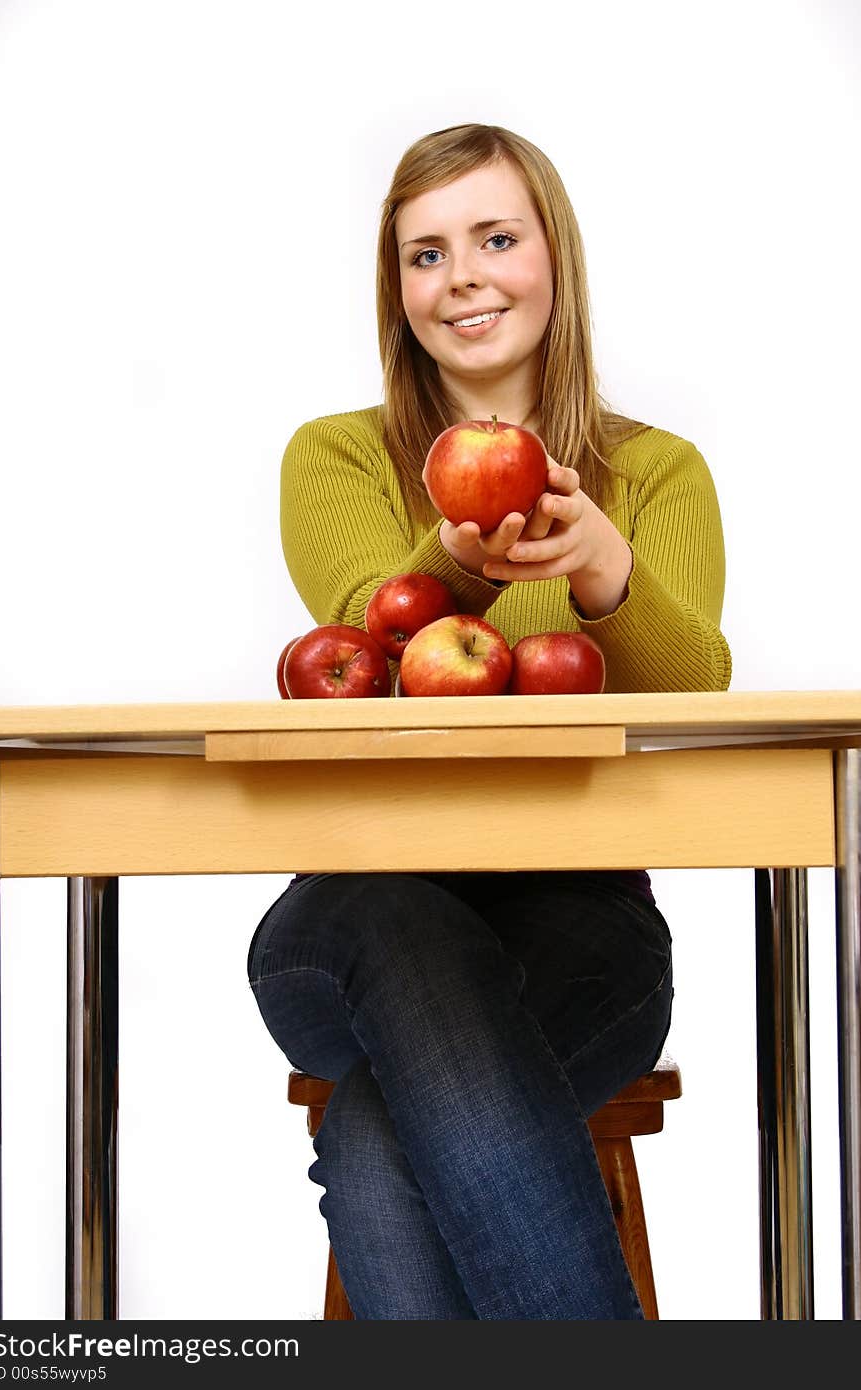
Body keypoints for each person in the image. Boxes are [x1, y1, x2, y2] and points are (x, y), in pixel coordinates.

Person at [247, 123, 731, 1319]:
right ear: (396, 289)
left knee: (377, 1134)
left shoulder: (656, 476)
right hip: (354, 918)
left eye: (494, 238)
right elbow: (366, 642)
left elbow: (694, 697)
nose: (461, 275)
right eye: (425, 253)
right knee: (409, 934)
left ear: (551, 259)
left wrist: (610, 577)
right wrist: (463, 563)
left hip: (580, 926)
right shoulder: (338, 459)